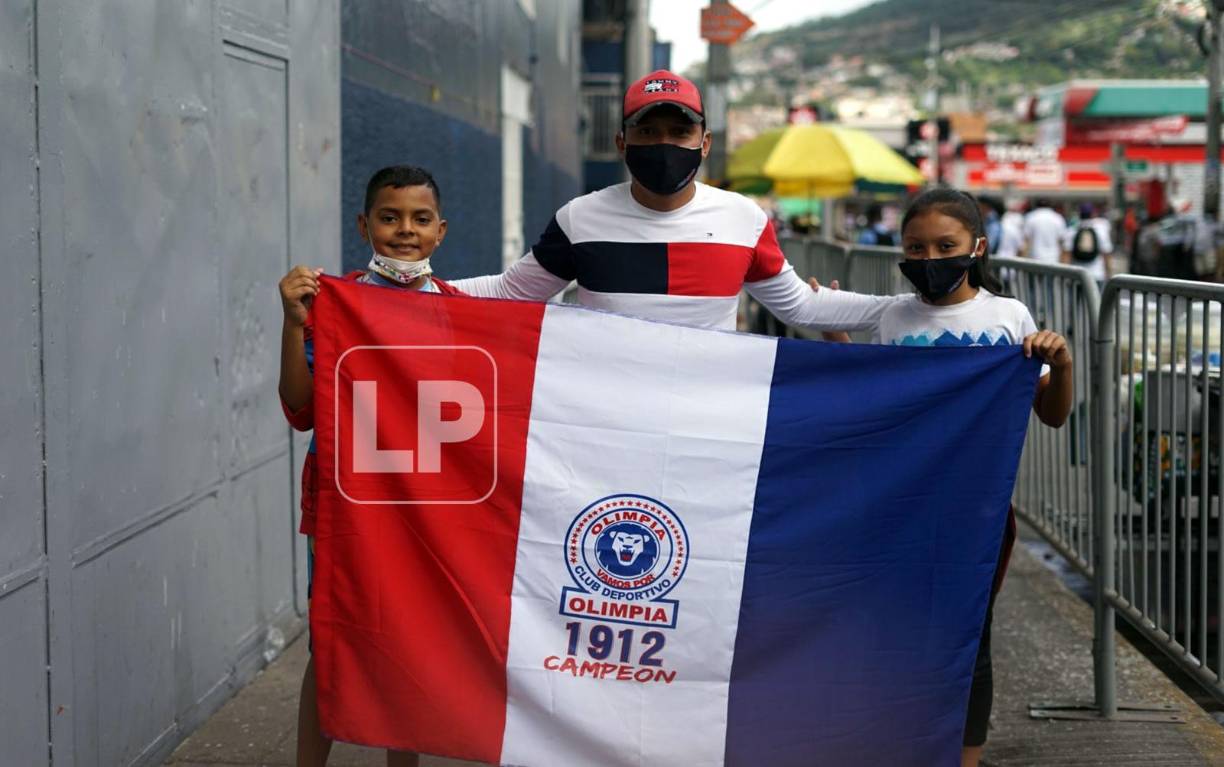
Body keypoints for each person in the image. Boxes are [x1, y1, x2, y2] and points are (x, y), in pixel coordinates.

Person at [817, 187, 1073, 766]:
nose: (930, 259)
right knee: (893, 634)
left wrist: (1064, 364)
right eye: (916, 247)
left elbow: (1052, 415)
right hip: (898, 511)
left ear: (977, 247)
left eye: (945, 245)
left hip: (976, 515)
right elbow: (868, 396)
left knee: (969, 639)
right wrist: (836, 342)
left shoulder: (1010, 319)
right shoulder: (890, 315)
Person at [448, 69, 890, 335]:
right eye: (647, 132)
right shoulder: (579, 218)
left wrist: (910, 309)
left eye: (679, 133)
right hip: (601, 423)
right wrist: (402, 286)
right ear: (622, 142)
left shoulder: (744, 220)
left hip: (705, 427)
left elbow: (801, 306)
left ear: (705, 143)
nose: (664, 144)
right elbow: (508, 292)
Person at [277, 165, 462, 767]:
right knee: (330, 645)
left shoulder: (462, 315)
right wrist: (292, 322)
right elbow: (301, 410)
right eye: (389, 217)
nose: (404, 231)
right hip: (345, 504)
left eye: (419, 219)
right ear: (364, 225)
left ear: (440, 232)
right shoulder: (332, 305)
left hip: (424, 508)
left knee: (406, 646)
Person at [1065, 202, 1113, 283]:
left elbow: (1066, 255)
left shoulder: (1072, 231)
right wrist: (1109, 274)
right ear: (1092, 214)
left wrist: (1065, 275)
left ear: (1079, 214)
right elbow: (1107, 255)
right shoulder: (1101, 231)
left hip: (1077, 275)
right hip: (1097, 275)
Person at [1021, 197, 1067, 264]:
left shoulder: (1031, 217)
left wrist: (1023, 259)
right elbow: (1062, 242)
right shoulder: (1058, 218)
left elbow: (1026, 241)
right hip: (1053, 258)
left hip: (1035, 258)